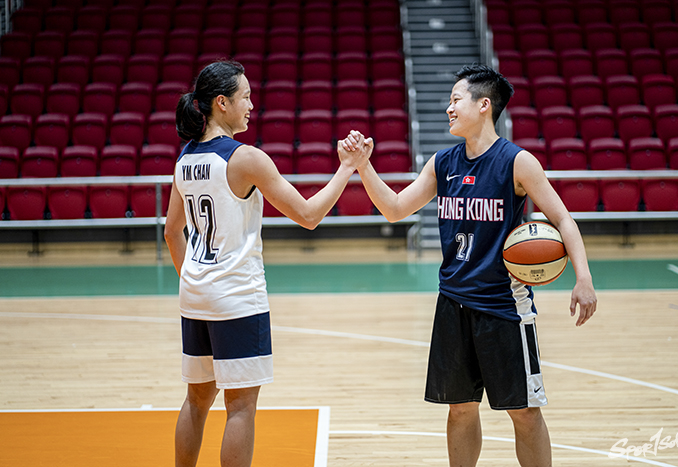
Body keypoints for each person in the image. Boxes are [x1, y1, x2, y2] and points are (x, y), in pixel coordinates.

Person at [342, 64, 597, 467]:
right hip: (453, 303)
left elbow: (563, 219)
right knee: (459, 407)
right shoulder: (443, 163)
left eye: (455, 99)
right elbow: (394, 209)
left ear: (483, 105)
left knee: (524, 412)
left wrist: (583, 277)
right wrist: (362, 165)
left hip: (504, 307)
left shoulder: (517, 162)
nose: (448, 108)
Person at [164, 60, 369, 467]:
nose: (251, 105)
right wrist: (347, 168)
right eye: (245, 97)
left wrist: (195, 279)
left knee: (196, 399)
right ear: (221, 103)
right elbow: (309, 215)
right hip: (237, 297)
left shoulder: (185, 158)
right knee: (240, 407)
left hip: (195, 295)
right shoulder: (245, 158)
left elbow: (172, 232)